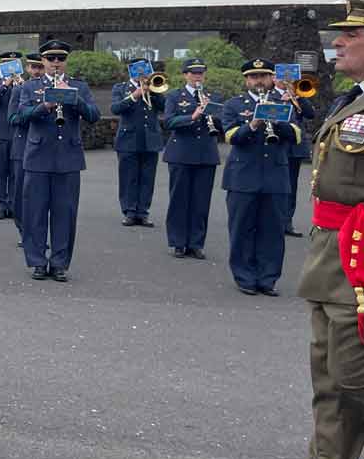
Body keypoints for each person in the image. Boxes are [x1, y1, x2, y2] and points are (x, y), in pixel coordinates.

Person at [252, 0, 364, 459]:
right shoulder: (352, 100)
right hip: (333, 256)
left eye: (350, 36)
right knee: (333, 381)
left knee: (353, 381)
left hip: (359, 259)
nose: (336, 42)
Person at [12, 39, 100, 281]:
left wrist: (75, 99)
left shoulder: (78, 86)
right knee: (35, 213)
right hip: (38, 157)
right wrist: (45, 106)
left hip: (68, 158)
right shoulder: (30, 87)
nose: (56, 64)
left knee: (65, 214)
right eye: (51, 59)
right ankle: (38, 261)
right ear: (43, 61)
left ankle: (60, 263)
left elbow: (94, 115)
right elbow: (19, 117)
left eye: (60, 59)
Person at [220, 59, 297, 295]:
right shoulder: (234, 104)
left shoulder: (283, 103)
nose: (259, 81)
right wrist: (253, 124)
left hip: (275, 175)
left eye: (264, 76)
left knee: (273, 231)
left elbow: (296, 134)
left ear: (271, 79)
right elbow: (230, 136)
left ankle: (267, 278)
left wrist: (278, 122)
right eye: (254, 77)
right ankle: (244, 277)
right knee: (242, 228)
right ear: (246, 80)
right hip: (243, 176)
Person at [162, 58, 223, 259]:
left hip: (206, 154)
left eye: (200, 72)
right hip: (181, 153)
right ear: (185, 75)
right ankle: (178, 242)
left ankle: (196, 243)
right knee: (179, 200)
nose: (197, 76)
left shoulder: (213, 96)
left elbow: (224, 124)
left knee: (201, 201)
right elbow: (169, 121)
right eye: (193, 73)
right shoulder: (174, 96)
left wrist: (215, 118)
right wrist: (193, 116)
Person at [110, 60, 166, 227]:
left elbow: (164, 107)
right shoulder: (120, 88)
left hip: (150, 139)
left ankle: (143, 212)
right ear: (131, 72)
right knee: (129, 177)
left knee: (147, 178)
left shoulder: (154, 87)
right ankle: (129, 211)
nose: (142, 73)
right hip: (128, 139)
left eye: (145, 70)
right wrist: (134, 95)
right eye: (138, 70)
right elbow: (115, 108)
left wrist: (153, 91)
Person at [9, 54, 46, 247]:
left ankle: (37, 233)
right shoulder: (21, 89)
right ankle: (25, 231)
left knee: (39, 194)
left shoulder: (51, 87)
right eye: (34, 67)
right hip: (22, 145)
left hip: (41, 147)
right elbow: (13, 118)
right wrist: (34, 113)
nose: (38, 71)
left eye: (41, 67)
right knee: (21, 193)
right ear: (28, 68)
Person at [278, 75, 317, 238]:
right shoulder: (270, 95)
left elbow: (310, 114)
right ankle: (273, 221)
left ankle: (287, 222)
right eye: (282, 77)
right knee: (275, 185)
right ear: (274, 78)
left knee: (291, 186)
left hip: (295, 147)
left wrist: (297, 97)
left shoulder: (298, 95)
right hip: (277, 145)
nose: (287, 81)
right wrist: (282, 102)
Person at [0, 51, 23, 221]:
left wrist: (21, 85)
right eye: (7, 64)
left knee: (16, 172)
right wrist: (6, 84)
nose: (10, 68)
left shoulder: (25, 85)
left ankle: (14, 205)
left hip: (17, 134)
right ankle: (1, 205)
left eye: (14, 64)